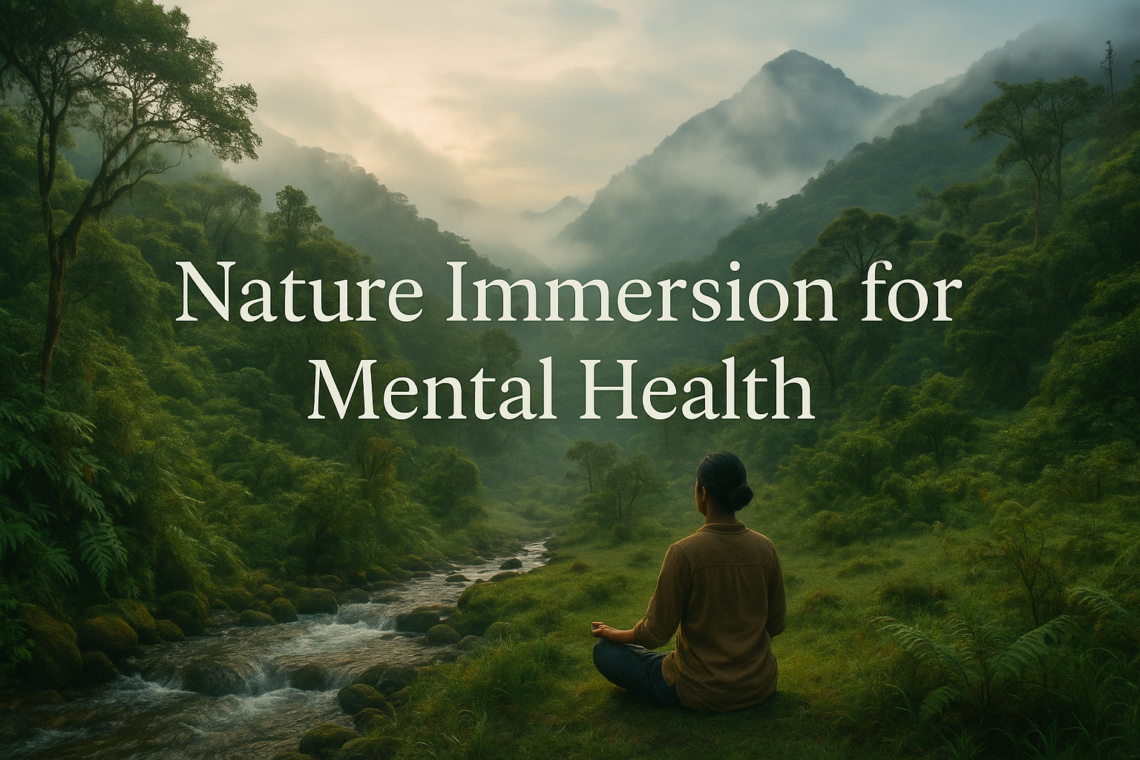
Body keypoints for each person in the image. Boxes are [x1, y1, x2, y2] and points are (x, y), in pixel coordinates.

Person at [590, 451, 786, 711]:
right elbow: (776, 624)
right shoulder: (765, 548)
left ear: (702, 492)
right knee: (663, 658)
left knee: (604, 651)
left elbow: (653, 634)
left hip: (698, 688)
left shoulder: (684, 552)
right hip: (758, 686)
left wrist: (613, 634)